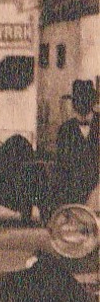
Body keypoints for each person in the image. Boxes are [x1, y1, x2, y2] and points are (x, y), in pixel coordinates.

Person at [53, 79, 100, 207]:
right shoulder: (66, 129)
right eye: (78, 100)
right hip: (73, 191)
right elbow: (62, 163)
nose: (81, 103)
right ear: (74, 103)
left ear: (92, 102)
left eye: (85, 99)